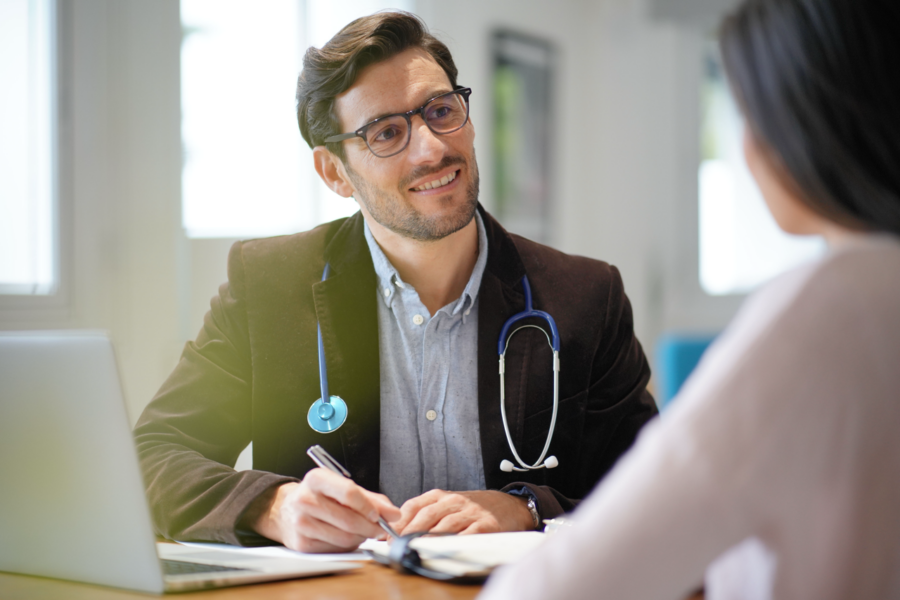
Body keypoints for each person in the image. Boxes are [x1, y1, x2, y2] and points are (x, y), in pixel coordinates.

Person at [134, 11, 657, 554]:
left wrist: (528, 509)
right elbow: (154, 455)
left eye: (441, 110)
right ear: (335, 173)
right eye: (386, 133)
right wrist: (274, 506)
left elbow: (653, 490)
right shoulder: (269, 286)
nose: (431, 148)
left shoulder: (584, 298)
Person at [479, 0, 900, 598]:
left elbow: (566, 584)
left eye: (746, 113)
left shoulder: (832, 308)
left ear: (810, 125)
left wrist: (524, 506)